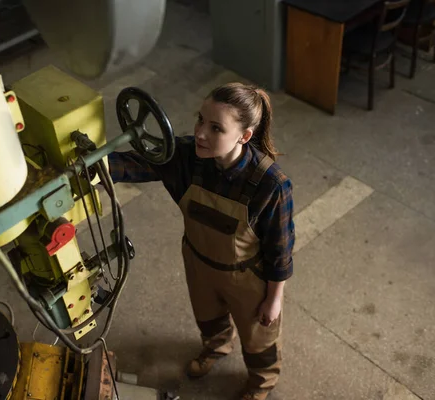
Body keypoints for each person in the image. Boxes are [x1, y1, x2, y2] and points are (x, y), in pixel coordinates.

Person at [108, 82, 295, 400]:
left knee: (258, 338)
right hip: (198, 261)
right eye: (200, 120)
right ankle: (217, 347)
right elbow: (136, 164)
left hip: (247, 276)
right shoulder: (186, 157)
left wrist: (273, 299)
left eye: (215, 128)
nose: (200, 133)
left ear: (244, 136)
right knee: (208, 317)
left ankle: (261, 382)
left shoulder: (270, 185)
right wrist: (93, 164)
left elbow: (280, 251)